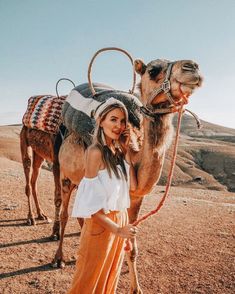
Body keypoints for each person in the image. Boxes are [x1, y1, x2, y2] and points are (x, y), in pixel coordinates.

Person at [67, 97, 138, 294]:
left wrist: (127, 151)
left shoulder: (117, 151)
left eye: (122, 121)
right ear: (101, 121)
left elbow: (132, 186)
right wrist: (118, 229)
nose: (118, 125)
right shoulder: (94, 152)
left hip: (119, 220)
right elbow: (90, 206)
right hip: (103, 224)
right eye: (113, 119)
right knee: (87, 282)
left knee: (109, 279)